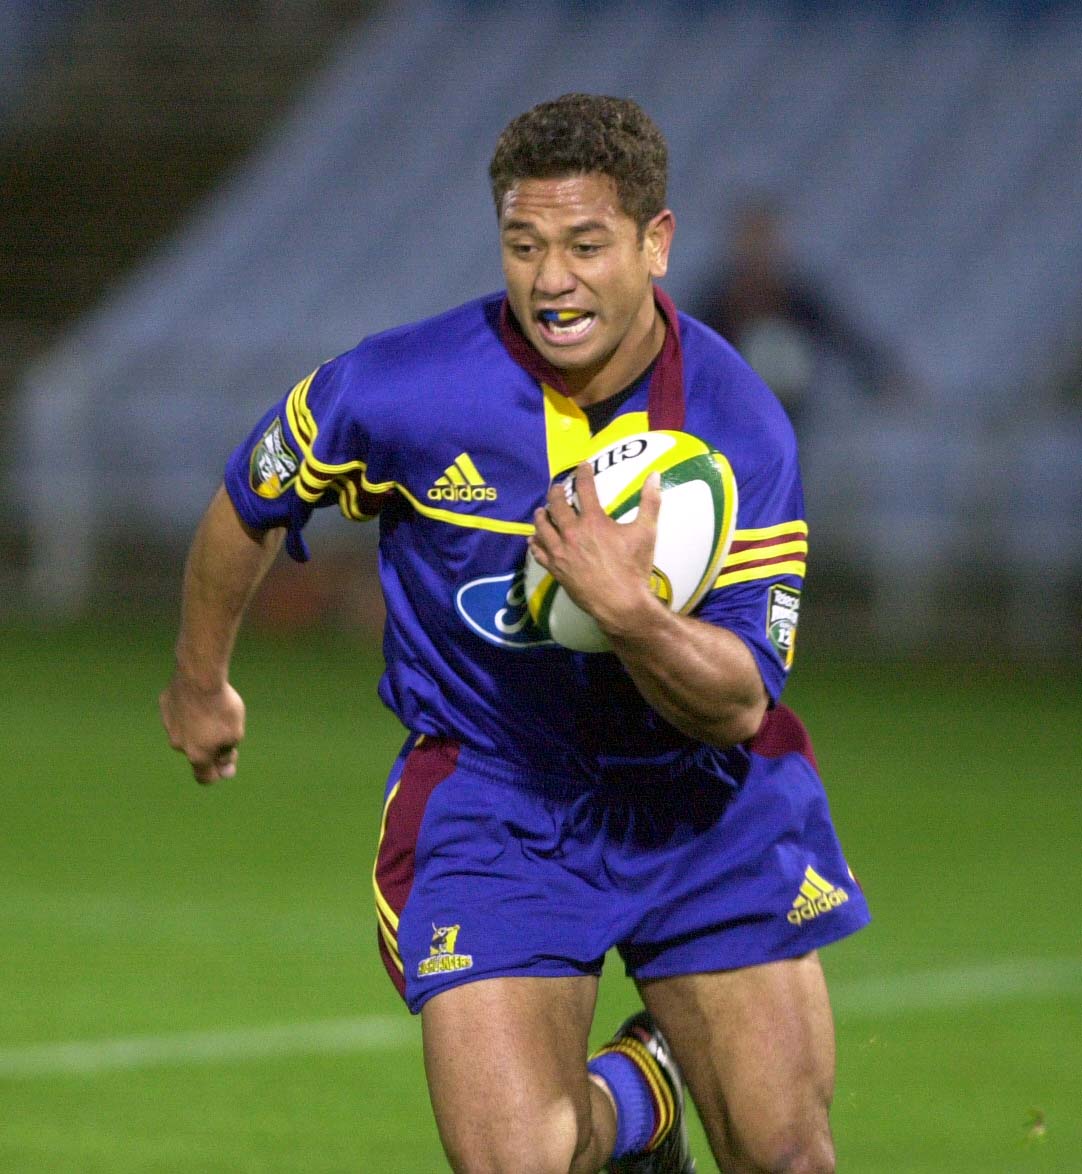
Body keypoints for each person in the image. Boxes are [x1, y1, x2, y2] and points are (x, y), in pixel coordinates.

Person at [160, 94, 869, 1174]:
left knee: (786, 1157)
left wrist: (625, 611)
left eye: (586, 245)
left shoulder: (737, 425)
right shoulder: (398, 388)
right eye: (524, 245)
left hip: (701, 797)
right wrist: (199, 680)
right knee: (521, 1161)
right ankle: (644, 1098)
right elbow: (249, 500)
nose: (551, 280)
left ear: (655, 243)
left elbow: (736, 702)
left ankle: (650, 1093)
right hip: (500, 797)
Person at [691, 195, 904, 439]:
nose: (757, 250)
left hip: (795, 418)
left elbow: (845, 340)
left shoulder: (799, 300)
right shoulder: (717, 303)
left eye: (764, 238)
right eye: (750, 239)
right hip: (732, 419)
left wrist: (881, 377)